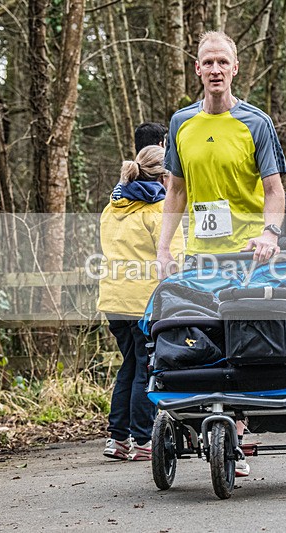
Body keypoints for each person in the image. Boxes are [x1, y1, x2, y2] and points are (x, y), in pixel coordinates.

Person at [159, 30, 286, 476]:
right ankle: (213, 423)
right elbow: (176, 191)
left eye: (222, 62)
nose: (215, 70)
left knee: (241, 342)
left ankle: (234, 432)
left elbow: (275, 189)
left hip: (248, 254)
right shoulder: (180, 123)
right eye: (208, 62)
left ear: (235, 68)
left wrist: (270, 233)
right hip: (200, 255)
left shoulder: (256, 123)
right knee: (201, 341)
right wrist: (164, 247)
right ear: (197, 69)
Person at [98, 145, 184, 461]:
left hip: (113, 299)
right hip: (142, 302)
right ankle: (144, 439)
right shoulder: (159, 210)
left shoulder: (111, 208)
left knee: (130, 365)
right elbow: (175, 260)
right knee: (146, 368)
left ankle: (118, 438)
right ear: (164, 176)